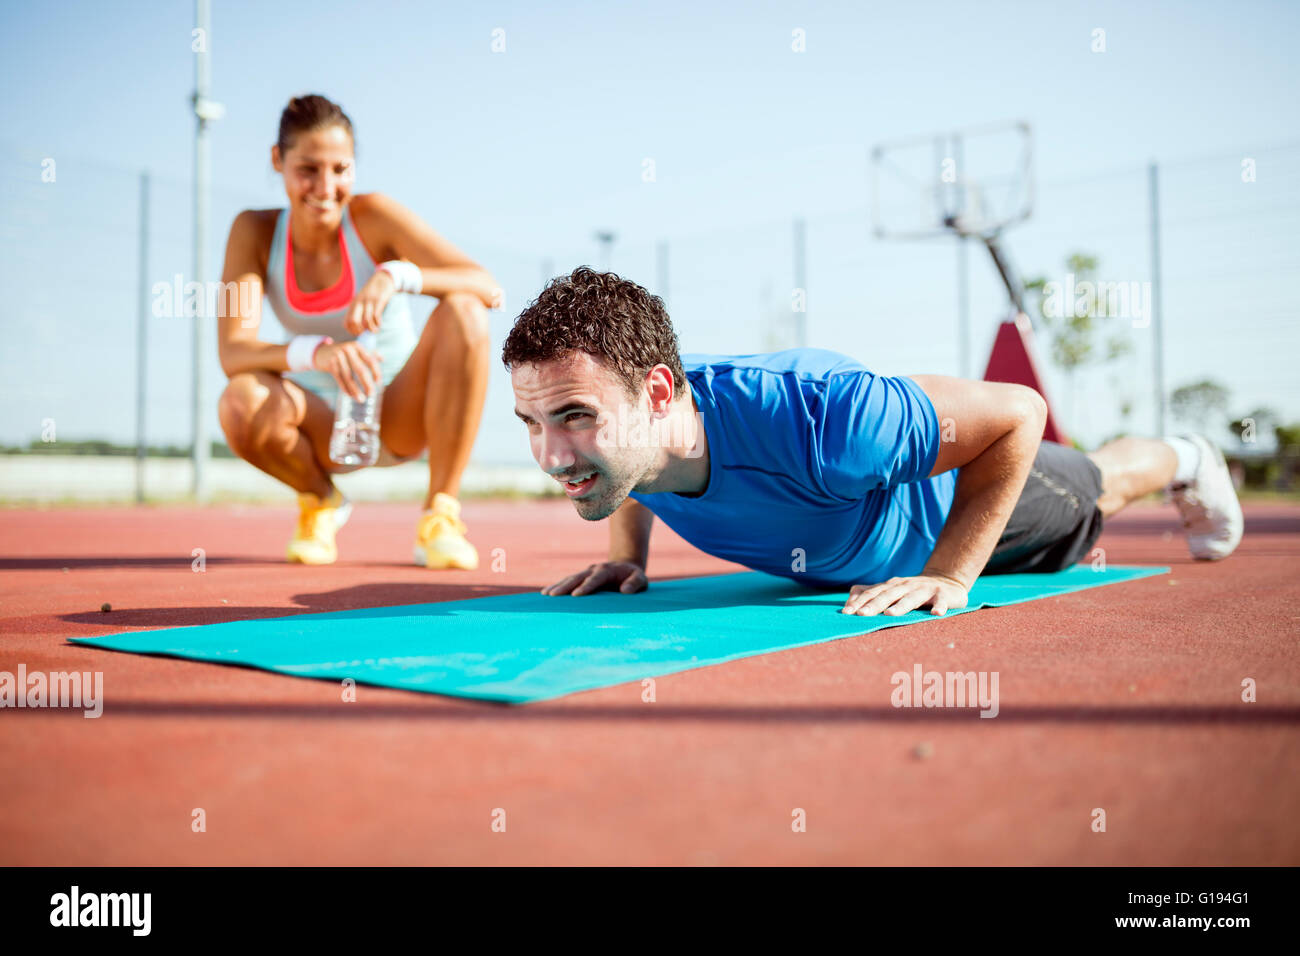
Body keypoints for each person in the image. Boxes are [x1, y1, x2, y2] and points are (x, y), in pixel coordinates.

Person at [502, 267, 1243, 615]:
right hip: (850, 554)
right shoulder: (636, 429)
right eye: (532, 424)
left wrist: (951, 575)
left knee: (1098, 488)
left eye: (574, 417)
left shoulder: (832, 424)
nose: (553, 457)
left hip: (968, 507)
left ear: (659, 394)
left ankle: (1189, 455)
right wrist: (627, 557)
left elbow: (1017, 412)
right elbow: (633, 464)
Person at [217, 94, 496, 568]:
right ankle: (320, 500)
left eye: (340, 169)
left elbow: (487, 287)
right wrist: (316, 352)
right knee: (240, 401)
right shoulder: (253, 231)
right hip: (321, 424)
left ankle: (441, 515)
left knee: (465, 312)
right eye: (308, 169)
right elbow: (234, 352)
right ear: (277, 161)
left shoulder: (374, 216)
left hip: (400, 413)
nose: (326, 187)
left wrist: (397, 275)